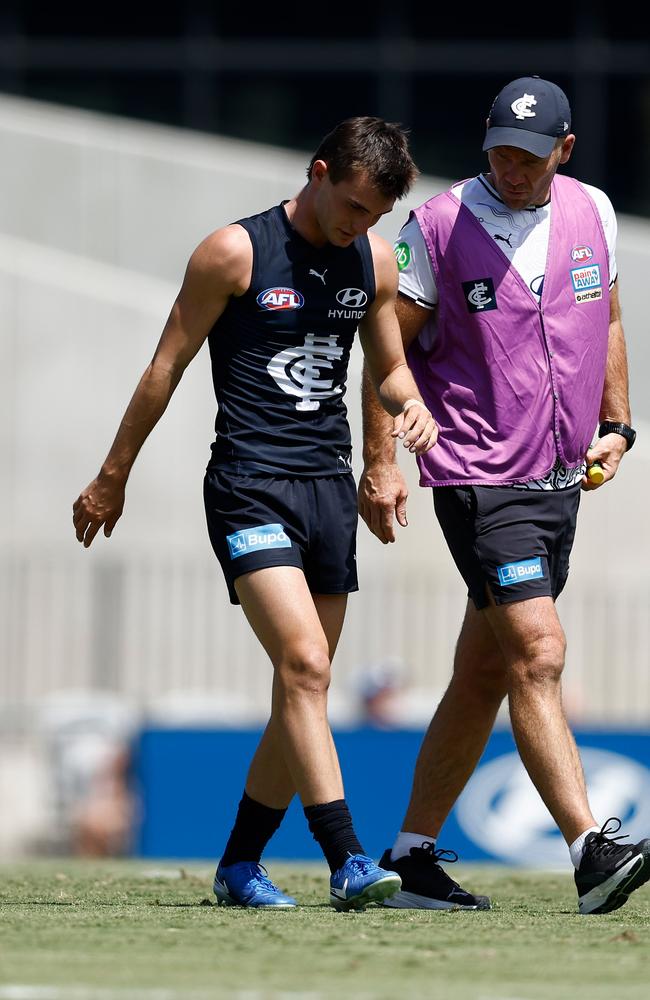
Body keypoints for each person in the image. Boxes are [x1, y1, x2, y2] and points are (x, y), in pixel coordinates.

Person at [72, 117, 437, 910]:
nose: (357, 225)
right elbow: (165, 365)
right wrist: (112, 476)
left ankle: (239, 865)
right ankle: (346, 857)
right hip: (248, 483)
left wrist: (398, 438)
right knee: (305, 665)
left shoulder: (371, 258)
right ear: (316, 172)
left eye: (373, 215)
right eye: (349, 206)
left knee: (302, 685)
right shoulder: (233, 252)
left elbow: (389, 368)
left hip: (327, 490)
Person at [360, 77, 649, 915]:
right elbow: (385, 350)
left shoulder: (595, 210)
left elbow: (614, 320)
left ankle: (410, 858)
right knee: (540, 653)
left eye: (528, 155)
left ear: (565, 150)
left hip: (563, 480)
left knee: (483, 674)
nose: (511, 169)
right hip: (480, 476)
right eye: (499, 152)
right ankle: (590, 849)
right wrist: (380, 460)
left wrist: (619, 425)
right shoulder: (441, 225)